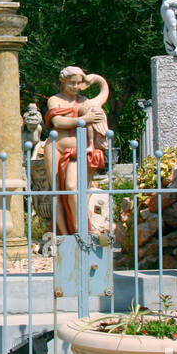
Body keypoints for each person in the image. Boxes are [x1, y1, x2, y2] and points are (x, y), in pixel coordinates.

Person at [43, 67, 109, 235]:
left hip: (78, 150)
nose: (75, 86)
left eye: (78, 83)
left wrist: (95, 78)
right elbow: (57, 122)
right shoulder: (54, 100)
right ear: (63, 82)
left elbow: (102, 94)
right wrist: (83, 119)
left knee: (74, 187)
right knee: (56, 191)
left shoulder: (84, 101)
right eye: (71, 83)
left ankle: (80, 230)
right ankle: (64, 235)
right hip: (56, 146)